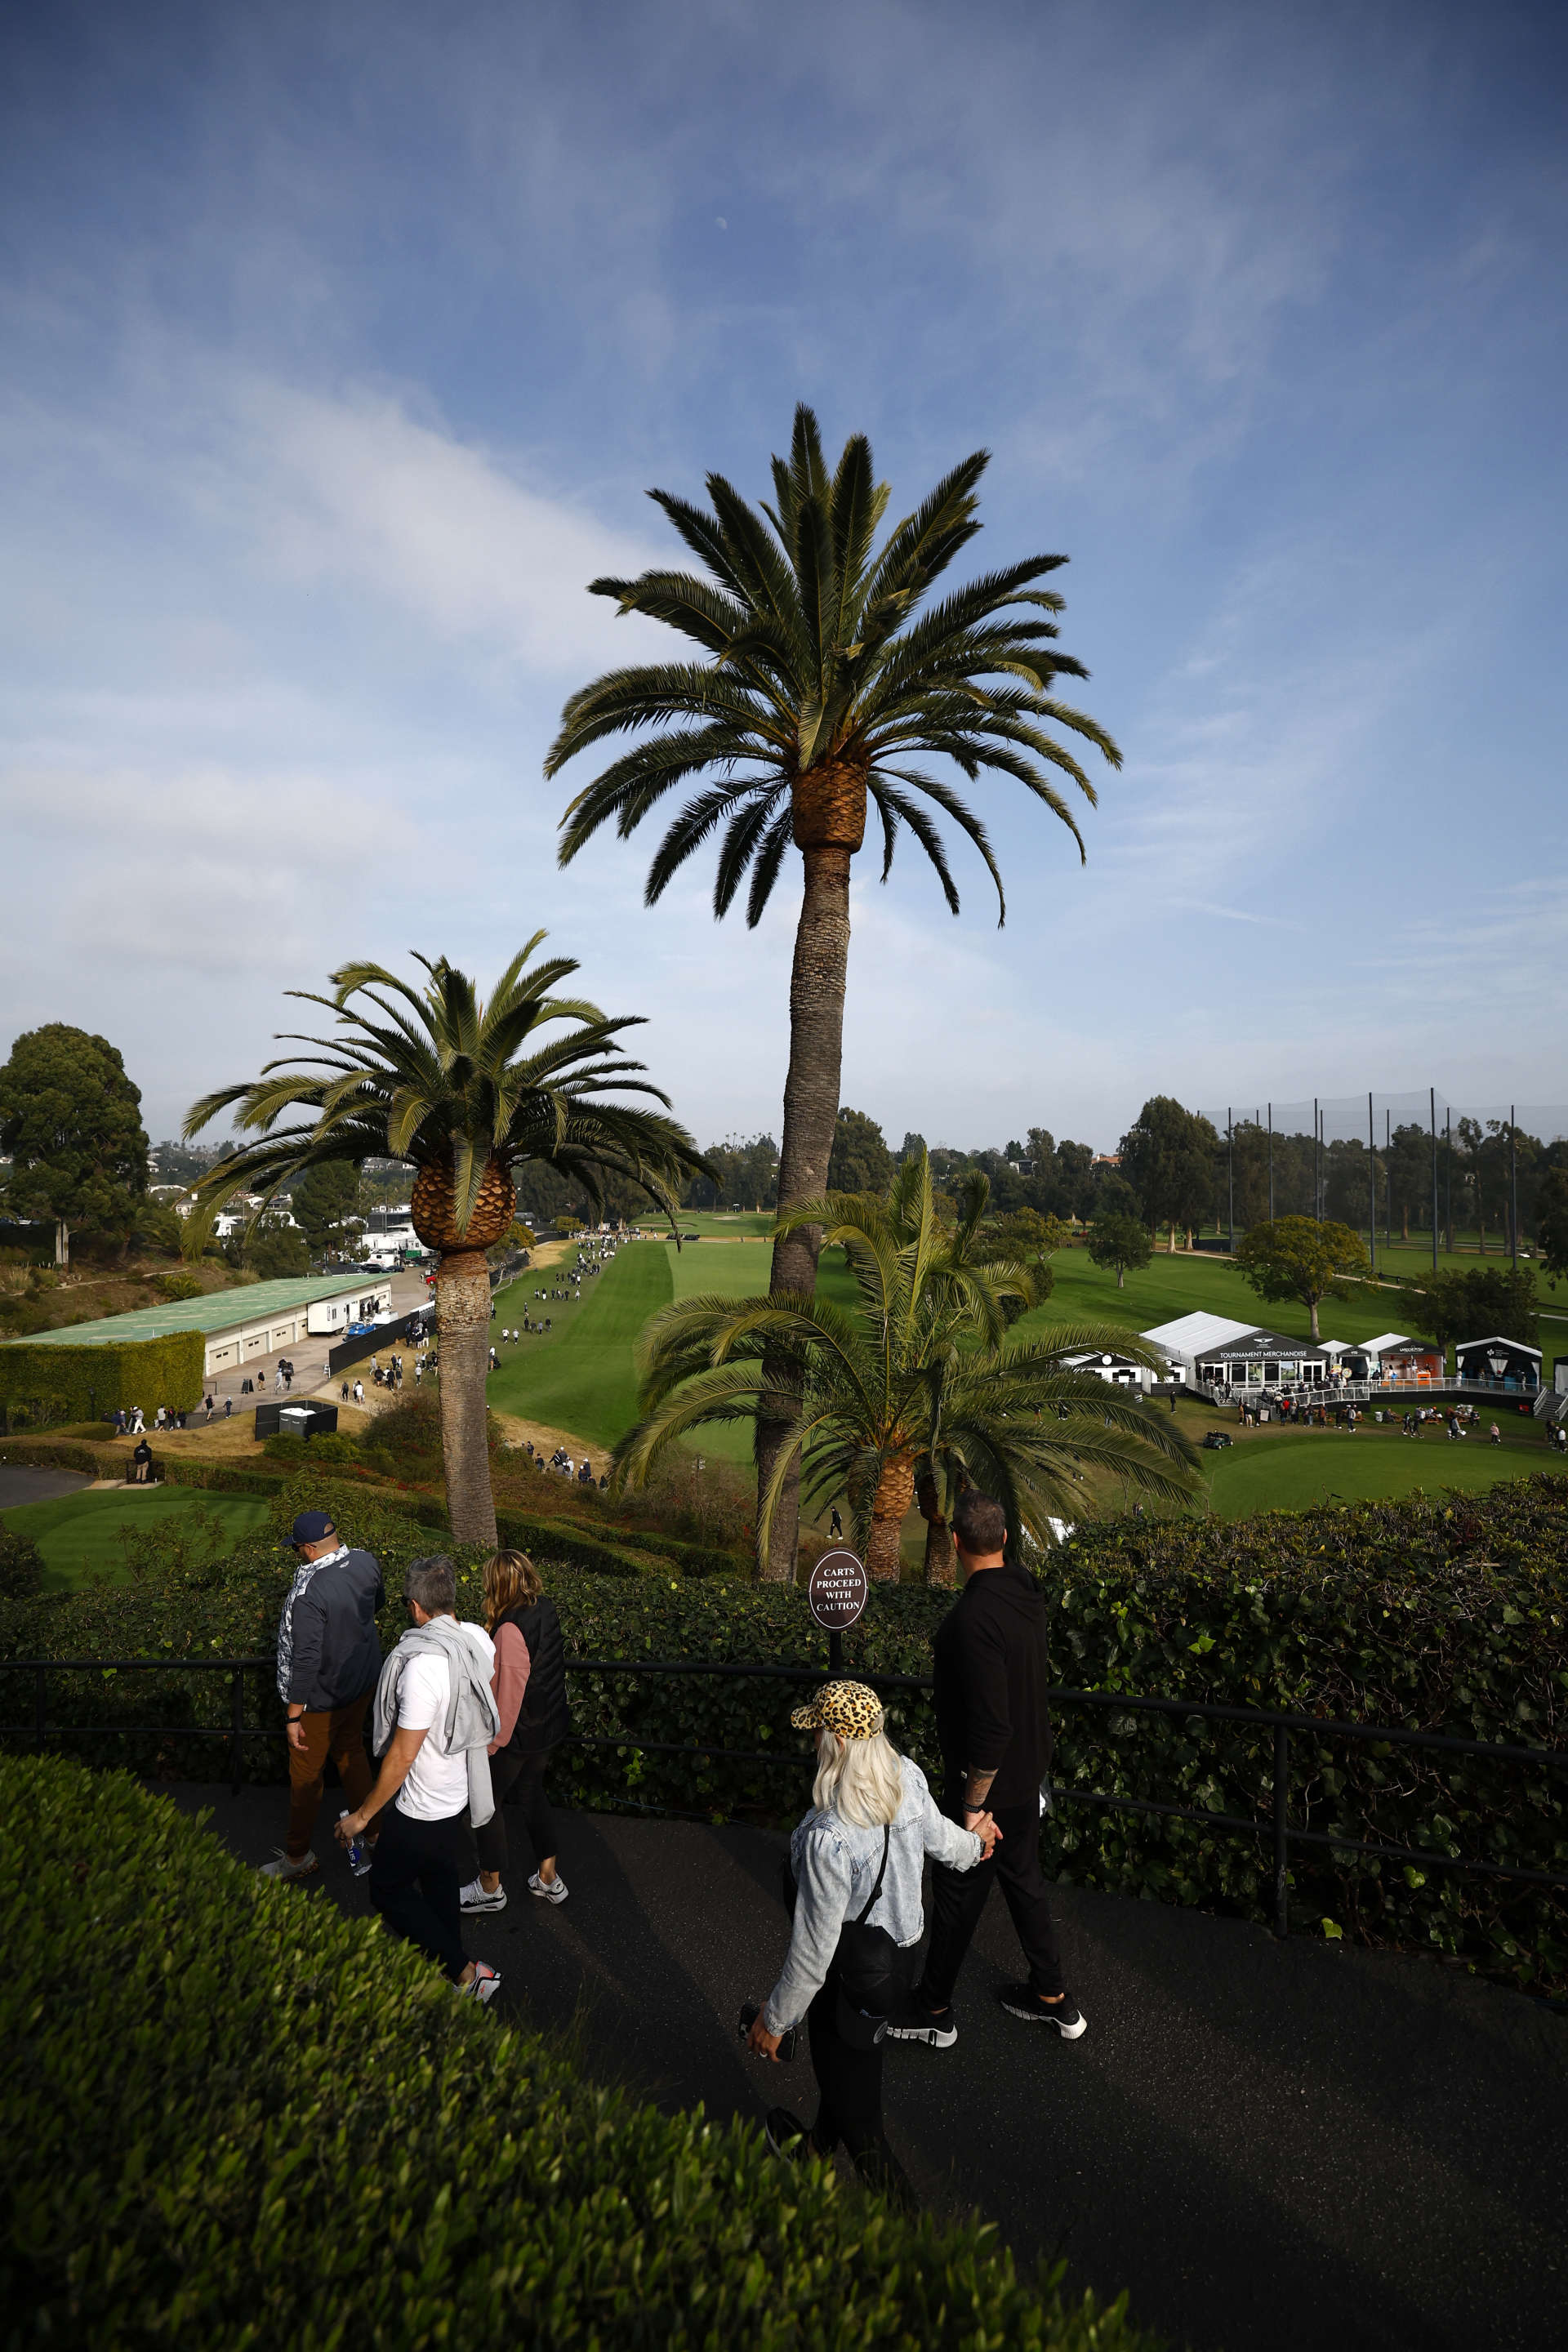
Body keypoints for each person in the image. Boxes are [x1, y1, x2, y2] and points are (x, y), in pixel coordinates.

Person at [747, 1680, 994, 2207]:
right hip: (896, 1962)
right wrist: (978, 1844)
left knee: (863, 2123)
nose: (812, 1739)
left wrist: (774, 2021)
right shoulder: (905, 1776)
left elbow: (814, 1953)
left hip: (848, 1976)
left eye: (817, 1731)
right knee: (850, 2077)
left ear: (833, 1745)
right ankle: (813, 2150)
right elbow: (945, 1843)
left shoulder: (827, 1835)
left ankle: (914, 2241)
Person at [885, 1486, 1085, 2048]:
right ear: (1003, 1540)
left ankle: (933, 2010)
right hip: (1026, 1781)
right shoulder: (1026, 1592)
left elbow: (992, 1730)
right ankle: (1053, 1999)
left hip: (990, 1790)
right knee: (1024, 1883)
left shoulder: (970, 1620)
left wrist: (971, 1809)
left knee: (955, 1896)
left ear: (954, 1543)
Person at [336, 1555, 501, 2002]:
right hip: (458, 1798)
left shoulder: (422, 1664)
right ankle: (456, 1975)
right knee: (439, 1883)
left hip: (422, 1806)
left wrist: (363, 1816)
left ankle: (467, 1972)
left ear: (414, 1607)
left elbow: (403, 1753)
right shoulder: (476, 1640)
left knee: (386, 1889)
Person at [260, 1509, 385, 1883]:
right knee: (351, 1754)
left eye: (297, 1548)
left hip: (320, 1700)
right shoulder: (365, 1560)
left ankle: (297, 1856)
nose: (297, 1554)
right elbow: (374, 1604)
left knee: (306, 1777)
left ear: (310, 1549)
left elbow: (306, 1658)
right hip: (360, 1684)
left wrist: (294, 1716)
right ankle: (376, 1833)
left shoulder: (308, 1591)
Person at [461, 1548, 570, 1914]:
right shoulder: (545, 1607)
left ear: (497, 1584)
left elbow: (509, 1695)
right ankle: (548, 1878)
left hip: (518, 1735)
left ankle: (490, 1887)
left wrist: (492, 1745)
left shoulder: (509, 1628)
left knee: (486, 1803)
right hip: (547, 1728)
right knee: (532, 1794)